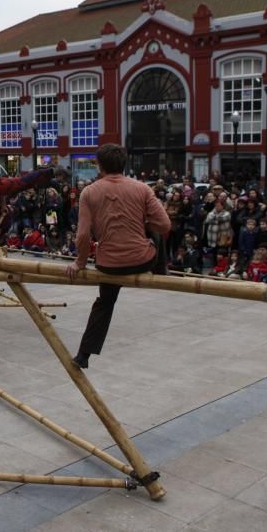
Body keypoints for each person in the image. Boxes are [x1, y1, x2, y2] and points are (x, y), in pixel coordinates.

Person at [65, 144, 171, 369]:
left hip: (109, 265)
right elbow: (164, 225)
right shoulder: (142, 188)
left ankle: (83, 355)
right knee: (156, 234)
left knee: (104, 302)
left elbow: (83, 235)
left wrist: (79, 263)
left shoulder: (89, 192)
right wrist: (142, 223)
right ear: (124, 164)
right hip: (143, 258)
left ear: (100, 166)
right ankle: (161, 273)